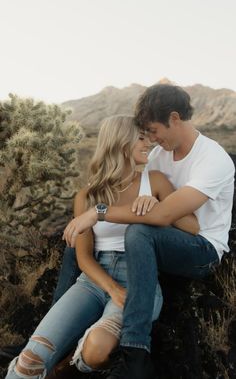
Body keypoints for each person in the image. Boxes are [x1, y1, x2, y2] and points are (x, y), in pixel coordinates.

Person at [5, 114, 199, 379]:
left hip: (138, 279)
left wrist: (159, 208)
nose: (149, 143)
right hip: (93, 281)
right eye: (141, 138)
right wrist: (111, 288)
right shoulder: (87, 196)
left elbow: (192, 226)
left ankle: (67, 367)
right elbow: (83, 257)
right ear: (121, 143)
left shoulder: (155, 182)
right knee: (29, 362)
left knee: (96, 350)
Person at [63, 84, 235, 379]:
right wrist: (142, 200)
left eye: (154, 131)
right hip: (168, 238)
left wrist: (99, 212)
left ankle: (136, 352)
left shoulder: (213, 158)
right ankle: (54, 336)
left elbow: (167, 213)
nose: (151, 139)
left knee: (138, 232)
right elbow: (147, 198)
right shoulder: (160, 156)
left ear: (175, 118)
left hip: (200, 247)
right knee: (76, 239)